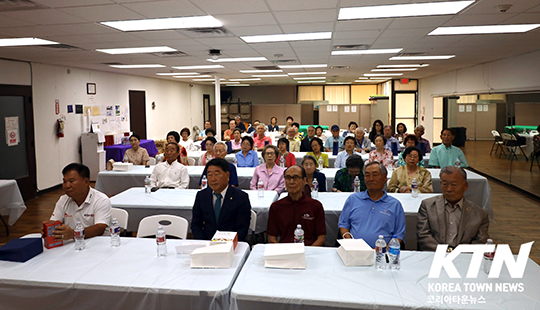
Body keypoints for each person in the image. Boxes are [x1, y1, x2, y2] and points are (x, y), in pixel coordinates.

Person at [417, 166, 489, 251]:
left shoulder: (479, 214)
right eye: (445, 184)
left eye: (454, 185)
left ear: (465, 186)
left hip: (463, 258)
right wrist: (444, 251)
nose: (449, 189)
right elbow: (423, 236)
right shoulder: (428, 206)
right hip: (434, 255)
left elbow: (480, 241)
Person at [338, 161, 406, 248]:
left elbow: (399, 234)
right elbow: (343, 225)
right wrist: (351, 244)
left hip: (383, 254)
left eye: (375, 175)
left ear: (385, 178)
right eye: (367, 175)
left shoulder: (395, 205)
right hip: (354, 252)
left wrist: (383, 250)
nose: (370, 179)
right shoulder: (353, 199)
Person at [43, 163, 111, 241]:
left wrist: (74, 234)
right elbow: (54, 222)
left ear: (86, 182)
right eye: (64, 182)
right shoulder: (63, 199)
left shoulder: (101, 200)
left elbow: (100, 228)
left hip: (98, 244)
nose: (67, 186)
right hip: (73, 244)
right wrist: (49, 229)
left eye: (71, 181)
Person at [191, 158, 252, 241]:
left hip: (231, 244)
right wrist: (203, 242)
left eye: (216, 174)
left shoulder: (240, 197)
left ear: (227, 176)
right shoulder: (202, 195)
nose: (213, 179)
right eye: (209, 175)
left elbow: (242, 228)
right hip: (207, 243)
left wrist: (229, 244)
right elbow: (196, 224)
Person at [267, 165, 326, 246]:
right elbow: (272, 238)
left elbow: (321, 238)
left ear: (304, 180)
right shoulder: (276, 207)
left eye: (295, 177)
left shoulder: (315, 206)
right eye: (288, 177)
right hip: (285, 251)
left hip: (309, 250)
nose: (291, 181)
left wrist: (307, 252)